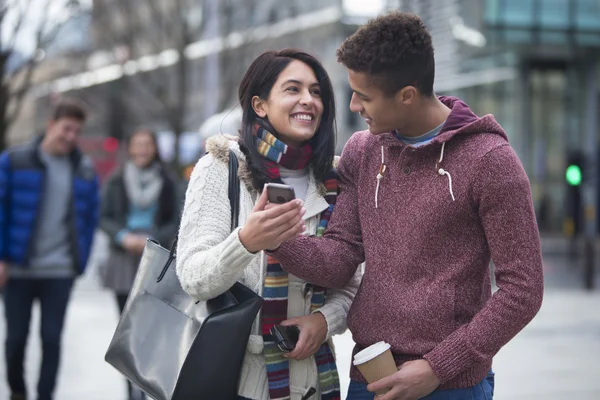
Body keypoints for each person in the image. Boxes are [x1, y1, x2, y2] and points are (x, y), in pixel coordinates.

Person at [264, 13, 545, 400]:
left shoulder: (490, 161)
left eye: (364, 95)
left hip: (452, 385)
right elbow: (341, 256)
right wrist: (278, 240)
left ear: (407, 95)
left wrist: (437, 367)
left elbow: (524, 290)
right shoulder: (362, 152)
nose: (352, 105)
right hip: (369, 378)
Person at [176, 49, 362, 400]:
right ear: (260, 105)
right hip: (234, 377)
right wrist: (246, 241)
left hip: (314, 381)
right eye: (293, 89)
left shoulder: (336, 181)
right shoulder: (221, 167)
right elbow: (192, 277)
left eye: (316, 91)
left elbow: (354, 282)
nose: (308, 100)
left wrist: (325, 323)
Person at [0, 99, 99, 400]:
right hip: (18, 268)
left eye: (76, 131)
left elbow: (89, 220)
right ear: (50, 125)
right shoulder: (14, 161)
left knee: (52, 339)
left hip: (59, 270)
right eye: (66, 128)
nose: (70, 136)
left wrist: (78, 262)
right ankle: (18, 391)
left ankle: (45, 396)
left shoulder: (83, 169)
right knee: (16, 339)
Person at [99, 128, 181, 400]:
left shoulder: (168, 181)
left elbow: (176, 219)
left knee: (151, 330)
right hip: (123, 259)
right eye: (138, 144)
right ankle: (130, 391)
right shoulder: (117, 179)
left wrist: (152, 237)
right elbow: (105, 217)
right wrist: (123, 237)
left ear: (155, 148)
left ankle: (148, 389)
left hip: (155, 258)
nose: (143, 149)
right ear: (130, 149)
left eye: (148, 144)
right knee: (126, 330)